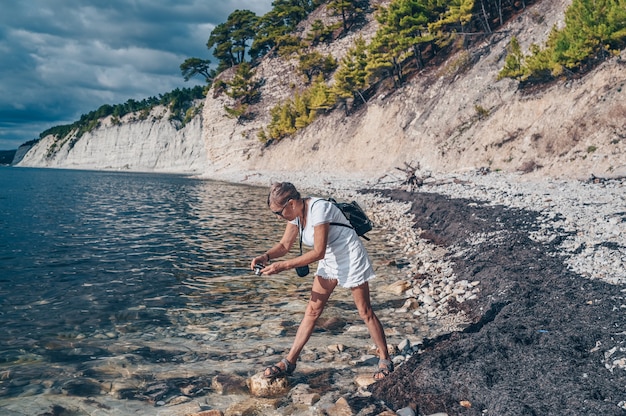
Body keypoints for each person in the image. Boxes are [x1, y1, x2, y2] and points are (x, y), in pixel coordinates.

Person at [250, 182, 393, 380]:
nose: (278, 218)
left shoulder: (319, 209)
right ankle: (290, 361)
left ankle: (385, 357)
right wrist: (266, 257)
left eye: (278, 213)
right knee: (313, 310)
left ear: (291, 203)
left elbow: (318, 251)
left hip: (350, 255)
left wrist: (282, 266)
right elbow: (284, 245)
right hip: (330, 259)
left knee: (364, 311)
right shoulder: (296, 215)